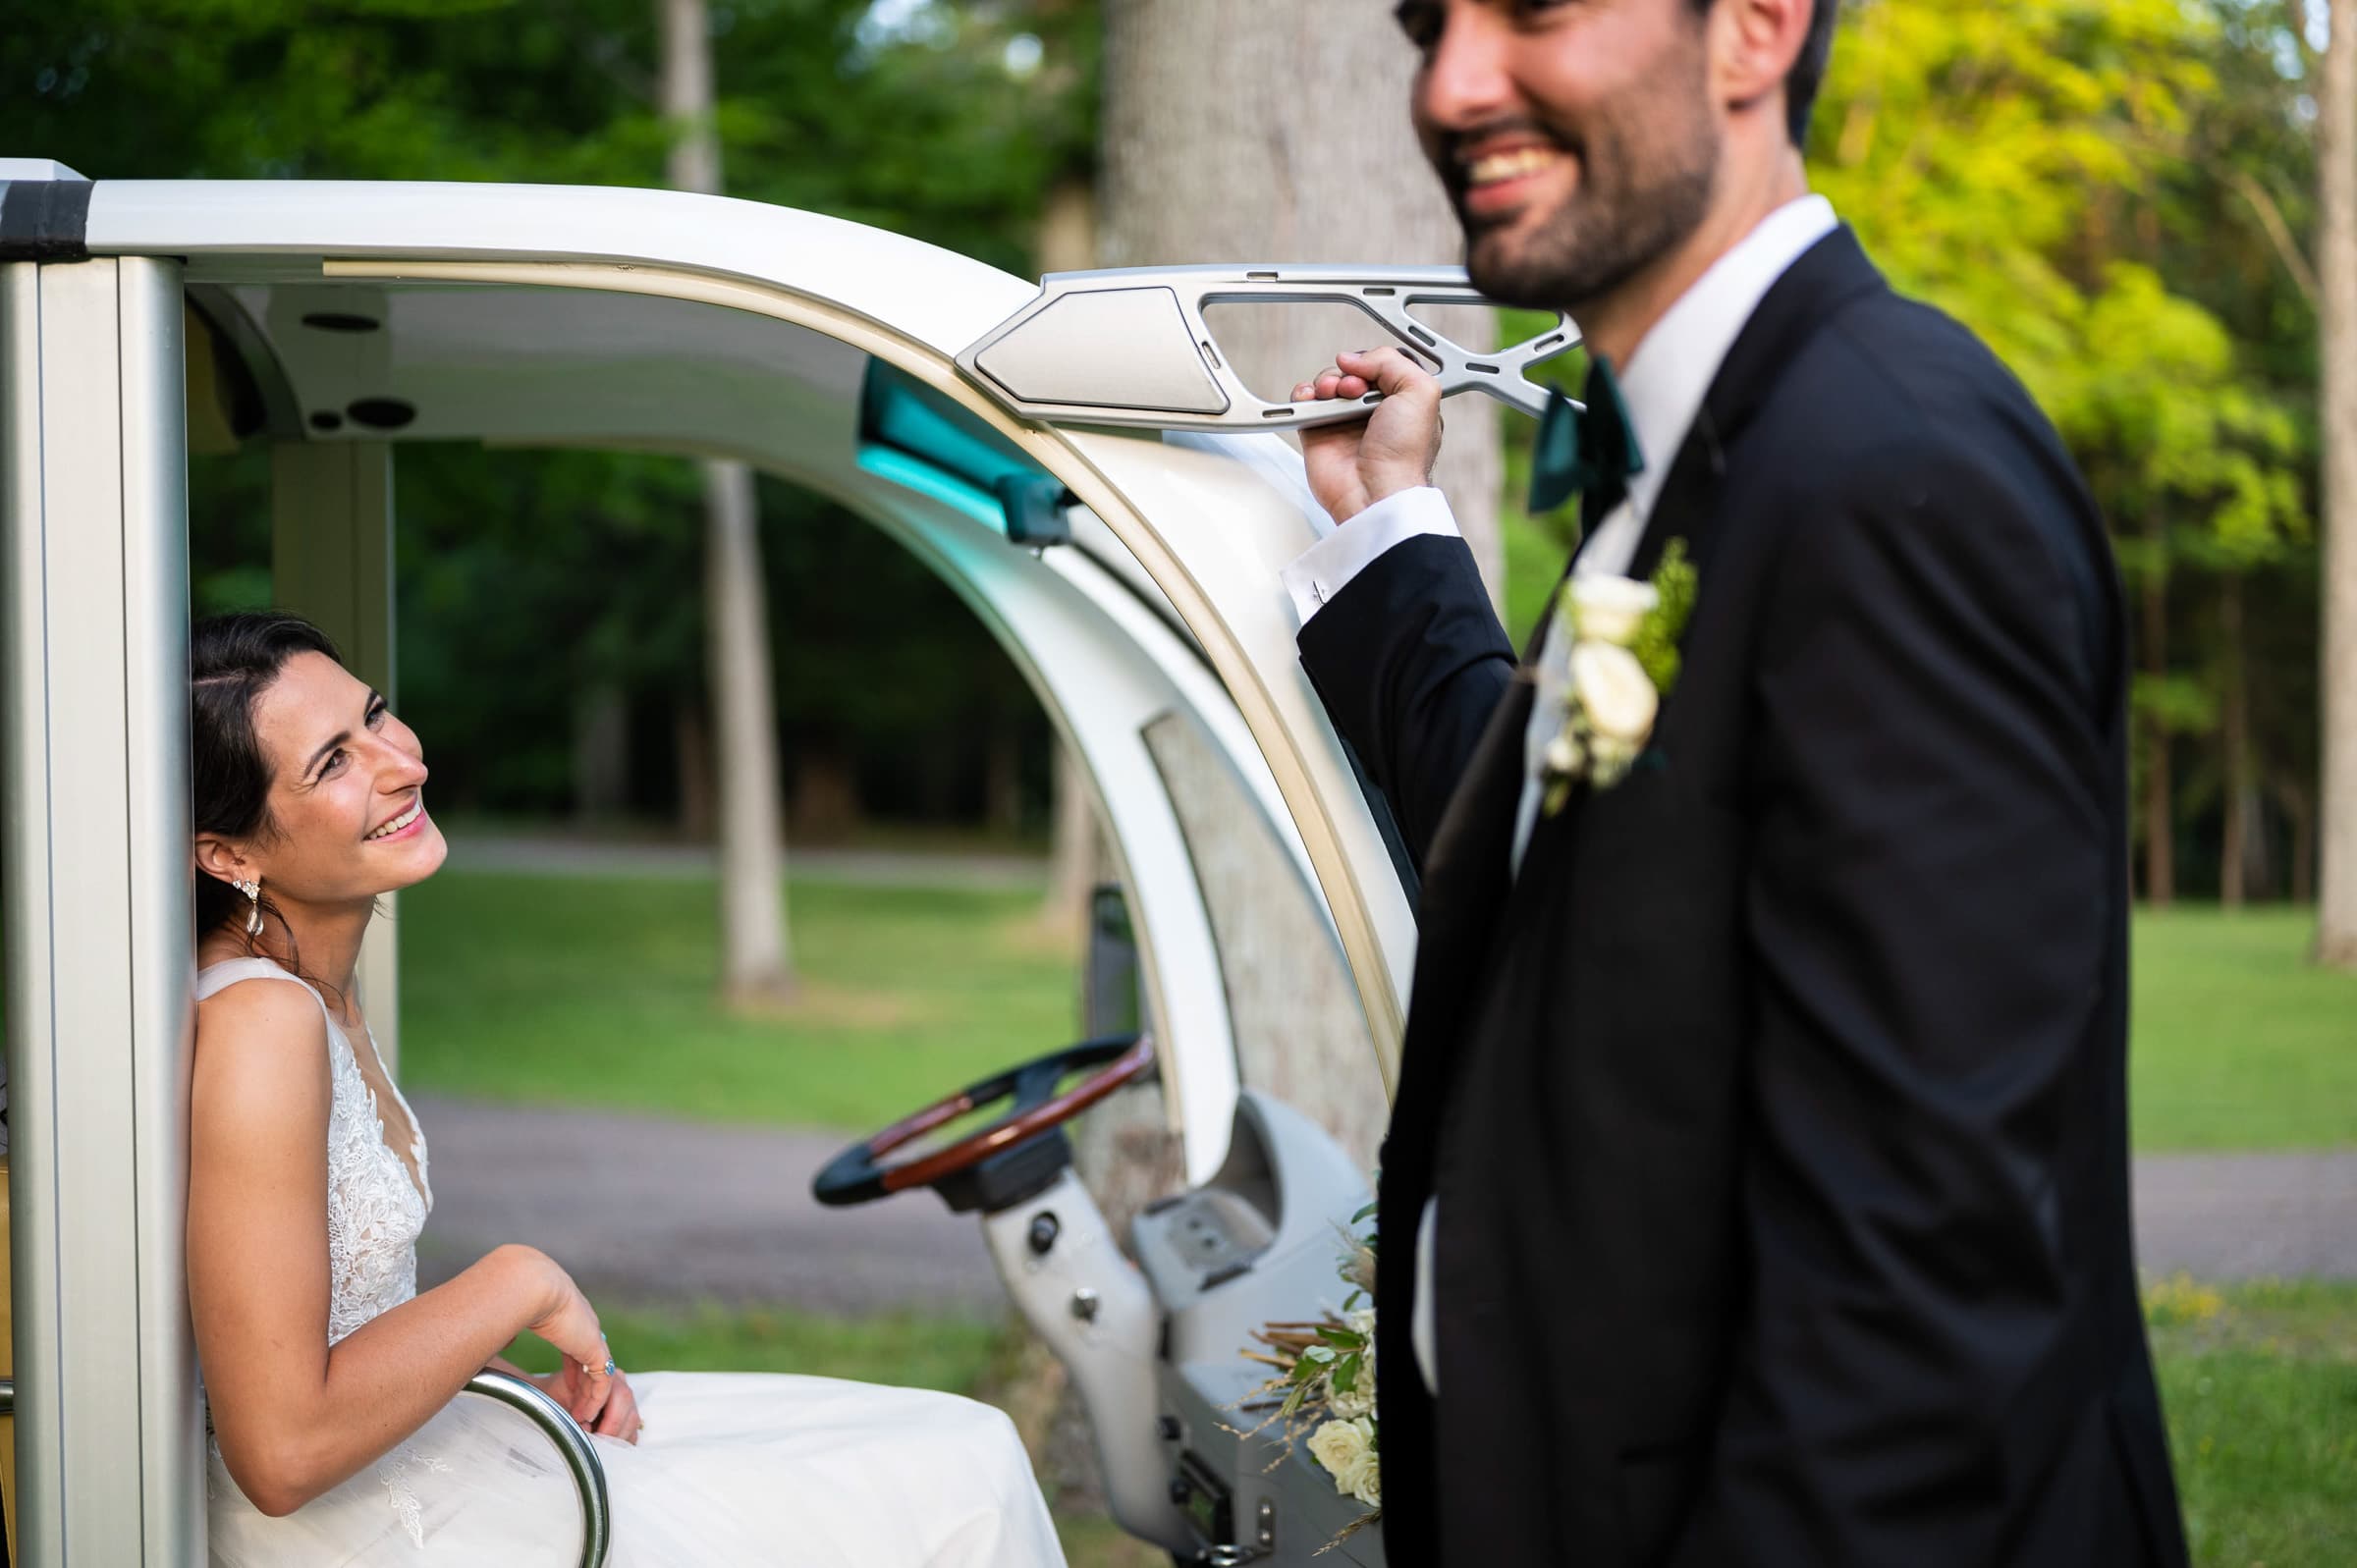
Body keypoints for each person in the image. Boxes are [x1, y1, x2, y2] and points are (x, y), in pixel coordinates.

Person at [1277, 1, 2190, 1564]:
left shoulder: (1895, 485)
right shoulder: (1713, 459)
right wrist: (1393, 523)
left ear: (1758, 29)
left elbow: (1921, 1330)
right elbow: (1571, 882)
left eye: (1536, 11)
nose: (1451, 84)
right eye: (1433, 24)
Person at [188, 610, 1067, 1566]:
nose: (401, 761)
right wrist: (519, 1278)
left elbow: (326, 1320)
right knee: (956, 1486)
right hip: (372, 1531)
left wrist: (510, 1381)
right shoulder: (259, 1024)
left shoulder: (314, 996)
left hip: (438, 1445)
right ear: (228, 853)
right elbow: (280, 1450)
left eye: (377, 716)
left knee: (953, 1447)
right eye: (333, 763)